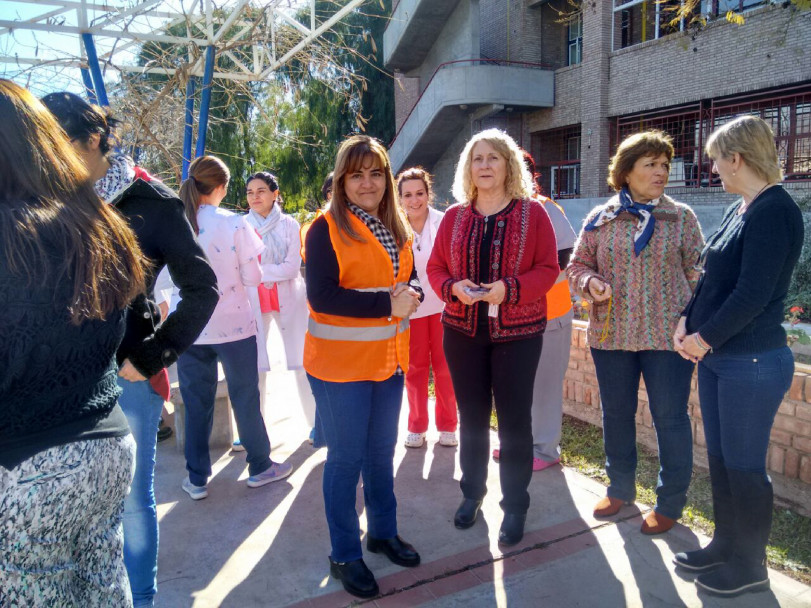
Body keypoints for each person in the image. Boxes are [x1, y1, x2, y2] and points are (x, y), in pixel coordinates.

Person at [42, 92, 218, 608]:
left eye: (61, 146)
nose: (50, 161)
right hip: (56, 380)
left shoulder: (152, 201)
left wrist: (151, 356)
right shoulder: (47, 200)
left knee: (133, 503)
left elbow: (202, 288)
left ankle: (141, 599)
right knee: (69, 502)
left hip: (126, 377)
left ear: (95, 139)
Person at [0, 79, 145, 605]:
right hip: (105, 448)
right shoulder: (94, 221)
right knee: (105, 589)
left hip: (29, 469)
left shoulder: (13, 235)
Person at [673, 115, 803, 597]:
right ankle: (725, 545)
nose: (714, 170)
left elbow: (752, 294)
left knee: (745, 466)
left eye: (716, 161)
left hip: (751, 361)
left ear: (737, 157)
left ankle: (750, 565)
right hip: (719, 358)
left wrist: (703, 340)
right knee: (723, 460)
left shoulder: (775, 211)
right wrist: (686, 320)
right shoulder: (742, 206)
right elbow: (710, 277)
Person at [426, 128, 559, 546]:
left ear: (508, 165)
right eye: (477, 159)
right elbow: (434, 269)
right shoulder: (454, 217)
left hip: (518, 334)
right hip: (462, 332)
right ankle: (472, 494)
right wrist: (453, 289)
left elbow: (548, 269)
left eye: (493, 158)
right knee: (472, 419)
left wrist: (510, 290)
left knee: (516, 423)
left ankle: (515, 505)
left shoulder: (533, 214)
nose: (484, 166)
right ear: (468, 167)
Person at [567, 130, 704, 535]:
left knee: (670, 418)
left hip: (668, 339)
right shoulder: (601, 218)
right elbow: (575, 266)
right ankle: (620, 487)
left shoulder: (680, 217)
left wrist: (696, 318)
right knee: (617, 414)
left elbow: (698, 274)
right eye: (651, 165)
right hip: (612, 337)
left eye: (665, 165)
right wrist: (590, 282)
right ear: (626, 173)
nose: (661, 172)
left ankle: (670, 502)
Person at [304, 135, 423, 598]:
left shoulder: (395, 226)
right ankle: (344, 555)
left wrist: (413, 294)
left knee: (380, 454)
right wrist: (388, 305)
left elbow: (406, 279)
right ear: (341, 180)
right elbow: (323, 296)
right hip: (339, 369)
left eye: (376, 173)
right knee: (346, 460)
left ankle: (382, 533)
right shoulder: (325, 228)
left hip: (388, 362)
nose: (368, 182)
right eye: (357, 174)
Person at [176, 156, 293, 499]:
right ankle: (260, 466)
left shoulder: (176, 222)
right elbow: (252, 277)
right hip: (235, 327)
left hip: (190, 328)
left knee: (197, 402)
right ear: (223, 187)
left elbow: (165, 278)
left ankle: (196, 478)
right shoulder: (235, 223)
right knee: (246, 395)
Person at [494, 150, 578, 471]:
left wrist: (526, 285)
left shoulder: (545, 209)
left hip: (549, 313)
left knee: (544, 384)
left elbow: (567, 257)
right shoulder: (502, 212)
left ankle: (544, 449)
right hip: (513, 315)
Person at [244, 171, 311, 432]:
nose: (255, 196)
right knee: (254, 368)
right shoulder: (241, 226)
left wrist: (257, 274)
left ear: (275, 194)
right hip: (253, 303)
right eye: (250, 192)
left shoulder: (289, 225)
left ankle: (316, 424)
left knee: (303, 363)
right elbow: (241, 269)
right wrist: (268, 272)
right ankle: (253, 431)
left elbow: (292, 268)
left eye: (261, 191)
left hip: (289, 299)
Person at [397, 167, 458, 449]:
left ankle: (448, 425)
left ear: (428, 193)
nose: (414, 200)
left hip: (445, 307)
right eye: (407, 195)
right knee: (414, 369)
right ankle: (416, 425)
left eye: (419, 193)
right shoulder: (394, 228)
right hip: (412, 309)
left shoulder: (445, 222)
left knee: (446, 368)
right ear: (400, 199)